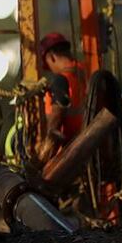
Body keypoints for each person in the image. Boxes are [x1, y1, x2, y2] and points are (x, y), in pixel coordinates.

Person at [38, 32, 87, 161]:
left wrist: (44, 154)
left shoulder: (61, 80)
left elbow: (56, 117)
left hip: (70, 151)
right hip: (89, 143)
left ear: (52, 57)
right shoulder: (86, 72)